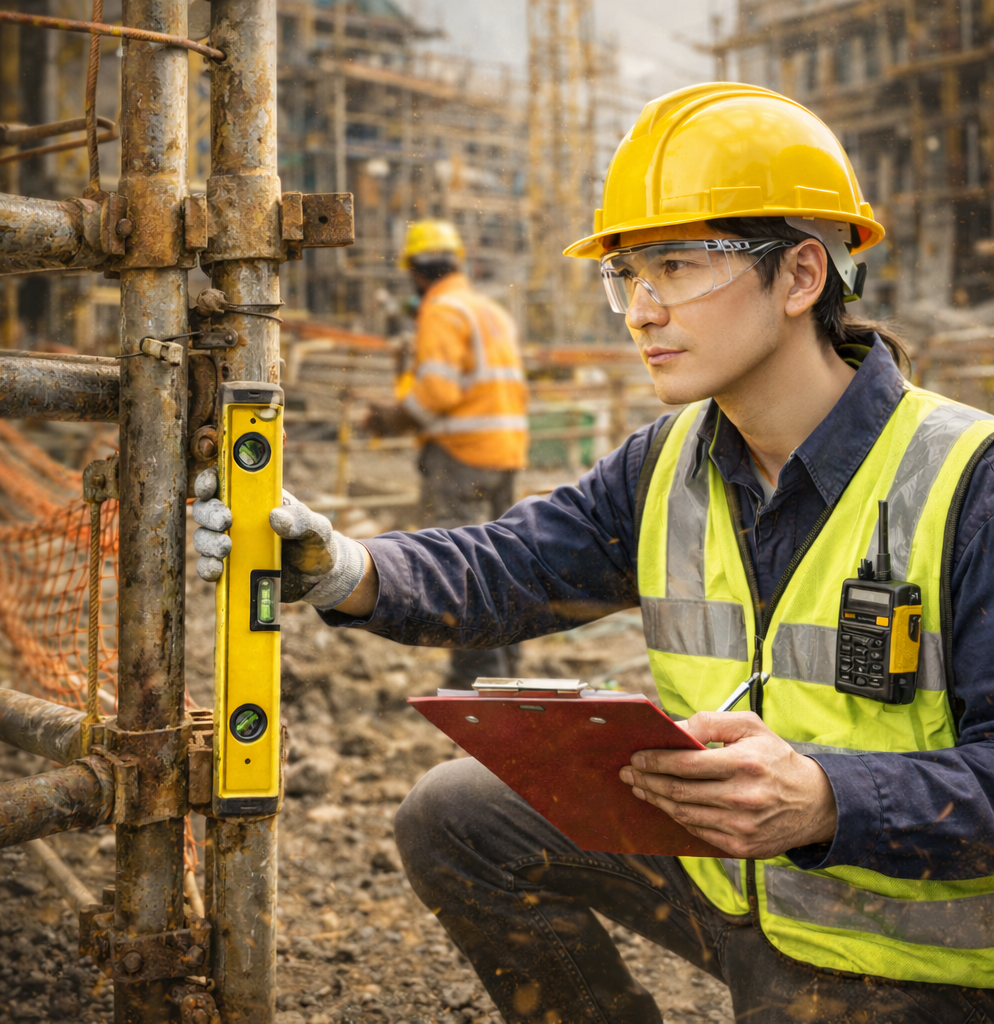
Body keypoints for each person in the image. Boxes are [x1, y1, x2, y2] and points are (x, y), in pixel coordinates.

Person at [193, 83, 994, 1023]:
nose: (641, 312)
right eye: (628, 276)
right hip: (732, 884)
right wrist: (343, 565)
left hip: (909, 957)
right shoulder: (668, 464)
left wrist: (827, 798)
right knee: (458, 815)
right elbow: (510, 566)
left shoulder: (965, 482)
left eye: (676, 267)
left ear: (800, 276)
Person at [365, 218, 529, 686]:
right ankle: (508, 666)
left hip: (461, 457)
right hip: (505, 453)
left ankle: (475, 678)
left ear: (415, 272)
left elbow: (437, 391)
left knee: (461, 567)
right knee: (502, 563)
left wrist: (392, 419)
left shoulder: (440, 310)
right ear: (458, 263)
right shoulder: (488, 310)